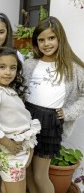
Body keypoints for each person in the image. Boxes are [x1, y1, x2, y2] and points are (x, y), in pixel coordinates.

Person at [23, 16, 84, 193]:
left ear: (60, 39)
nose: (46, 43)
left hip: (50, 122)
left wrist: (69, 112)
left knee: (40, 175)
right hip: (27, 119)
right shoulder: (29, 64)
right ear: (36, 42)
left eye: (51, 38)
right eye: (41, 39)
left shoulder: (73, 68)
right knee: (26, 171)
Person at [0, 47, 41, 193]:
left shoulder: (9, 90)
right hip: (10, 151)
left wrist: (29, 146)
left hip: (20, 148)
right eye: (2, 67)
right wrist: (7, 143)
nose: (8, 72)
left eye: (13, 68)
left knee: (7, 188)